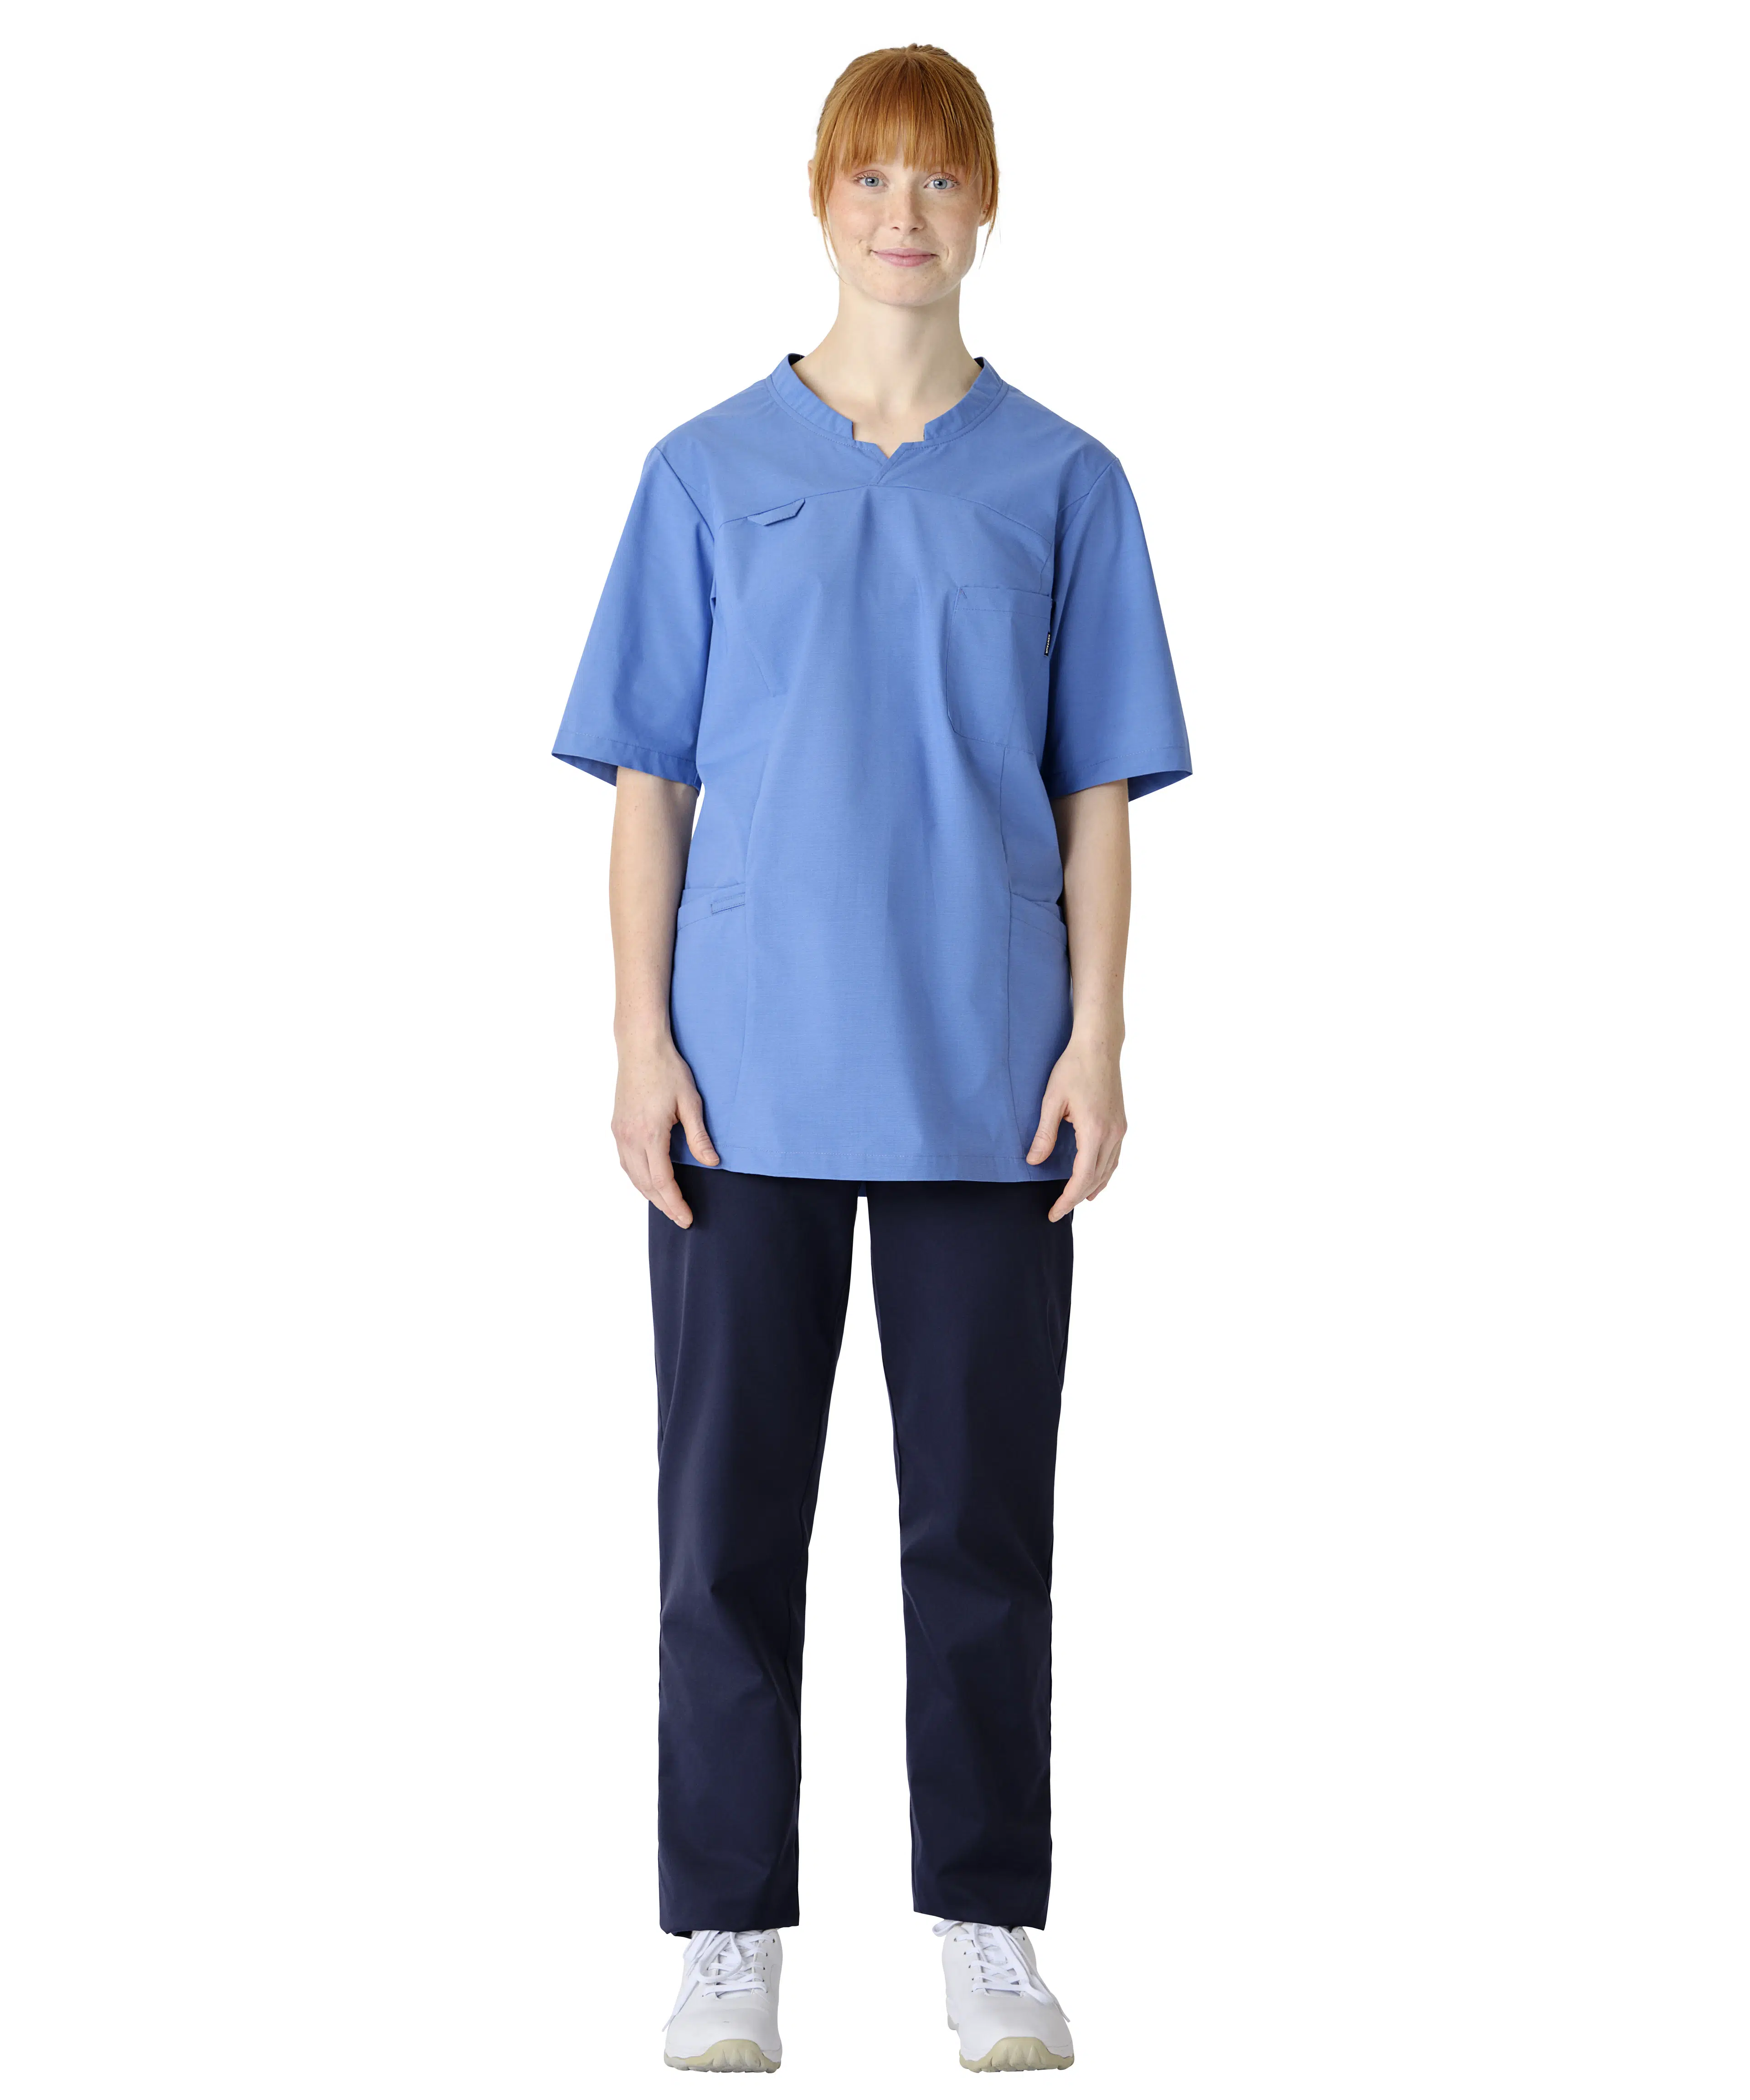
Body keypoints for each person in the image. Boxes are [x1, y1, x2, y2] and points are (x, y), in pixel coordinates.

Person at [552, 43, 1190, 2074]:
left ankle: (989, 1923)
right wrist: (638, 1043)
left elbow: (1098, 788)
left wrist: (1100, 1035)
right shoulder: (705, 471)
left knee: (983, 1527)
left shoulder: (1065, 482)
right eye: (872, 177)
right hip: (738, 1084)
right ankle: (726, 1933)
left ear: (988, 206)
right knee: (723, 1529)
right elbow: (649, 783)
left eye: (939, 178)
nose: (904, 214)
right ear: (820, 201)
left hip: (987, 1084)